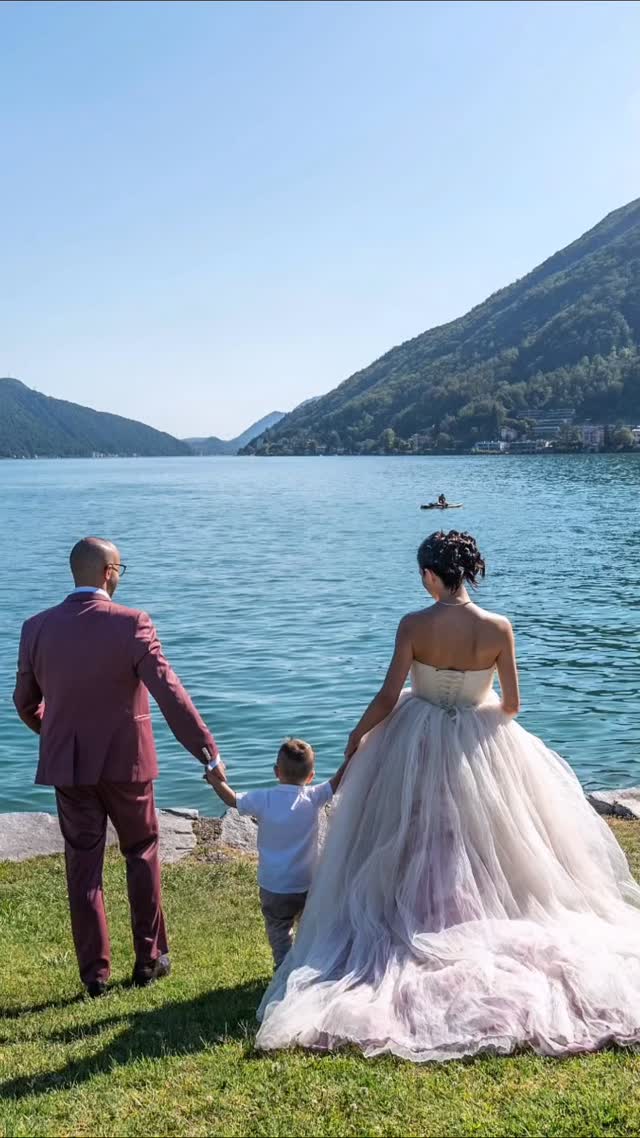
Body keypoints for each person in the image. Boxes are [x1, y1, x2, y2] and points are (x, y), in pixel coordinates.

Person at [255, 530, 640, 1062]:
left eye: (423, 574)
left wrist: (357, 735)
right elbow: (513, 706)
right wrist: (474, 713)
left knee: (413, 831)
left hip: (415, 737)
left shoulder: (414, 624)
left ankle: (424, 916)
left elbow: (390, 695)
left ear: (431, 575)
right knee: (486, 836)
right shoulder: (498, 627)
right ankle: (470, 911)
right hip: (482, 742)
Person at [13, 536, 225, 998]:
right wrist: (206, 750)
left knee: (83, 867)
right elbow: (169, 693)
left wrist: (55, 733)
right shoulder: (133, 624)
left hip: (69, 766)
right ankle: (149, 961)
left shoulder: (36, 628)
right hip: (127, 763)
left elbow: (25, 703)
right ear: (109, 573)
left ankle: (95, 977)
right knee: (142, 852)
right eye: (120, 569)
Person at [206, 738, 349, 968]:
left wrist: (215, 781)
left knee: (279, 930)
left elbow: (232, 799)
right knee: (309, 926)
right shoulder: (313, 797)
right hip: (306, 884)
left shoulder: (264, 798)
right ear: (311, 776)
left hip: (274, 886)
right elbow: (337, 782)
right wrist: (353, 755)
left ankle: (283, 966)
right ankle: (307, 962)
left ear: (276, 771)